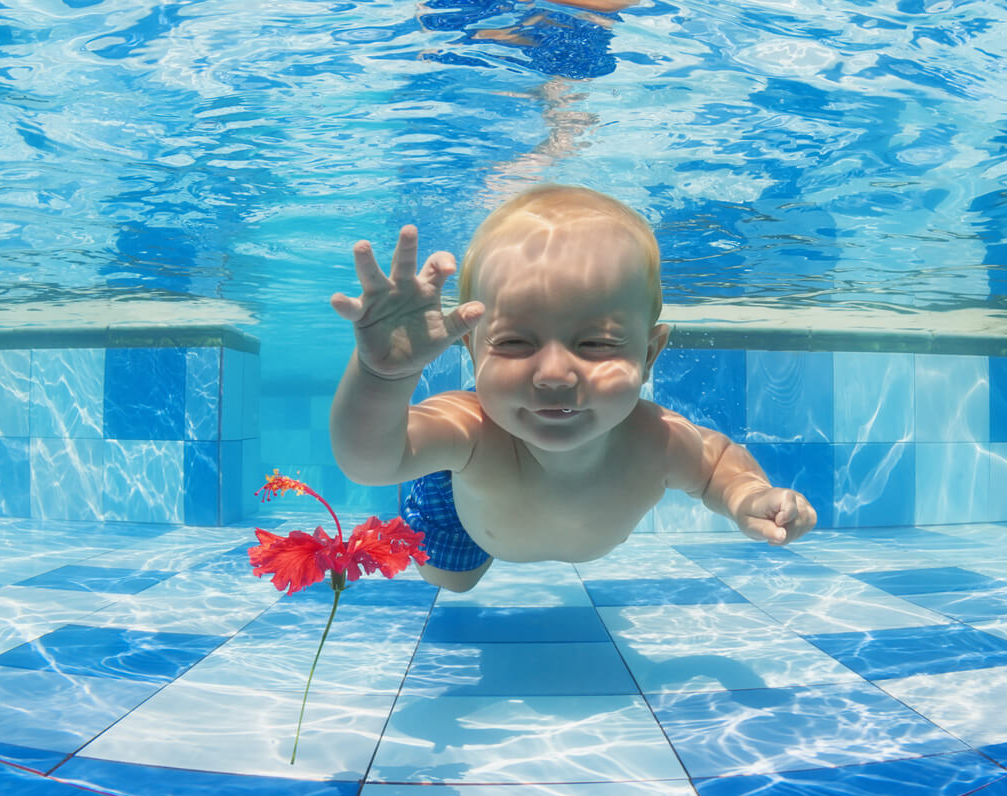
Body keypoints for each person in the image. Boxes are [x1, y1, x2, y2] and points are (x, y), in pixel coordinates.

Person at [329, 184, 817, 592]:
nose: (554, 375)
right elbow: (369, 463)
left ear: (648, 355)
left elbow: (717, 466)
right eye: (515, 342)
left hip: (511, 519)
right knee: (454, 581)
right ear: (472, 351)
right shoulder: (468, 429)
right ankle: (434, 476)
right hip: (463, 511)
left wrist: (749, 496)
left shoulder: (658, 440)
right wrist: (383, 377)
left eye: (596, 344)